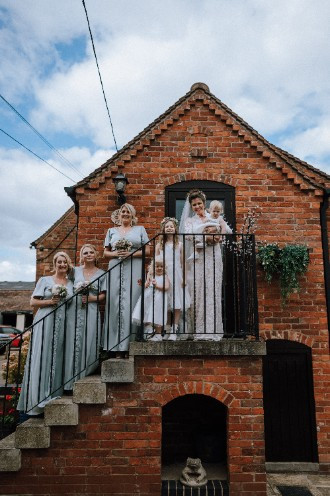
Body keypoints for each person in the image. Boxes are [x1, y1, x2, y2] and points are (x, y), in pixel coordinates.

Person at [17, 252, 74, 415]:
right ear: (55, 264)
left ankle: (53, 393)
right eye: (59, 262)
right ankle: (37, 399)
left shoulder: (71, 283)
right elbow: (33, 302)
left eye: (65, 262)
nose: (62, 264)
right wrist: (50, 302)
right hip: (45, 319)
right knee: (42, 356)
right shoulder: (45, 280)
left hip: (62, 321)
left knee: (56, 356)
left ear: (68, 264)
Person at [103, 203, 149, 357]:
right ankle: (115, 347)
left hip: (134, 267)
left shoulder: (140, 230)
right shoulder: (111, 231)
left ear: (132, 214)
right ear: (119, 214)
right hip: (115, 267)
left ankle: (131, 345)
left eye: (128, 211)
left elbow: (147, 250)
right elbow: (105, 253)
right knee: (115, 304)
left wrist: (131, 254)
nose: (125, 214)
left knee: (132, 302)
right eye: (123, 211)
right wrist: (117, 254)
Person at [65, 244, 106, 389]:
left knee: (89, 339)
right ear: (81, 256)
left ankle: (85, 372)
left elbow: (103, 296)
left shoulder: (101, 273)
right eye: (85, 252)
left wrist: (91, 299)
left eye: (91, 252)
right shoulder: (74, 271)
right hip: (74, 309)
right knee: (73, 340)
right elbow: (67, 287)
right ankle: (69, 378)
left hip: (92, 309)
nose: (88, 254)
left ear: (95, 254)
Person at [155, 217, 190, 339]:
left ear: (175, 229)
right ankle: (167, 329)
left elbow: (183, 263)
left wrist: (184, 278)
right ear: (163, 229)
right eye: (167, 226)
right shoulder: (159, 245)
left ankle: (174, 330)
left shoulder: (179, 245)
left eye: (171, 226)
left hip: (176, 274)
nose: (169, 228)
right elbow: (155, 262)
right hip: (164, 275)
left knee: (176, 302)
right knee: (166, 302)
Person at [192, 223, 223, 340]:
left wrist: (209, 235)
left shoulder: (214, 219)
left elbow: (218, 237)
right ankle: (201, 328)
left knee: (212, 290)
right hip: (202, 259)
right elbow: (196, 241)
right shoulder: (195, 223)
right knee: (202, 291)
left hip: (214, 257)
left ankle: (212, 329)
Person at [132, 257, 169, 341]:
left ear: (165, 268)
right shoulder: (151, 275)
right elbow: (146, 285)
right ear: (153, 267)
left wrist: (157, 286)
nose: (159, 268)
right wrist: (143, 284)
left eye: (161, 266)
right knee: (147, 312)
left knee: (158, 314)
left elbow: (166, 287)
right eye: (157, 266)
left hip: (159, 298)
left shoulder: (165, 276)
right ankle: (150, 330)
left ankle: (159, 334)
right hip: (149, 297)